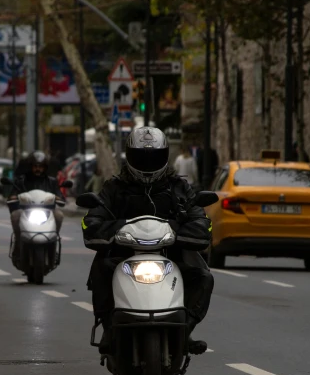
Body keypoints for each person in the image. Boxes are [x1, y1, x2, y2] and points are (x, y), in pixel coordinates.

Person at [81, 127, 214, 356]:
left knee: (203, 276)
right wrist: (114, 231)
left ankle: (185, 329)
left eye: (154, 157)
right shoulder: (114, 187)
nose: (148, 163)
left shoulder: (179, 187)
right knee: (102, 267)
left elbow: (201, 220)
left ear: (165, 156)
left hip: (171, 253)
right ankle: (109, 328)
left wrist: (179, 232)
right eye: (142, 157)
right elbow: (91, 220)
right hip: (123, 254)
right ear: (130, 156)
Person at [7, 151, 65, 267]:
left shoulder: (51, 181)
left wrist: (58, 198)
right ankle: (18, 244)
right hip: (26, 212)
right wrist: (14, 197)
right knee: (15, 215)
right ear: (31, 167)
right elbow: (12, 197)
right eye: (35, 166)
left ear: (45, 168)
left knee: (59, 215)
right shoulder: (22, 180)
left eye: (40, 167)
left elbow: (61, 197)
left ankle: (53, 239)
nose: (38, 169)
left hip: (48, 212)